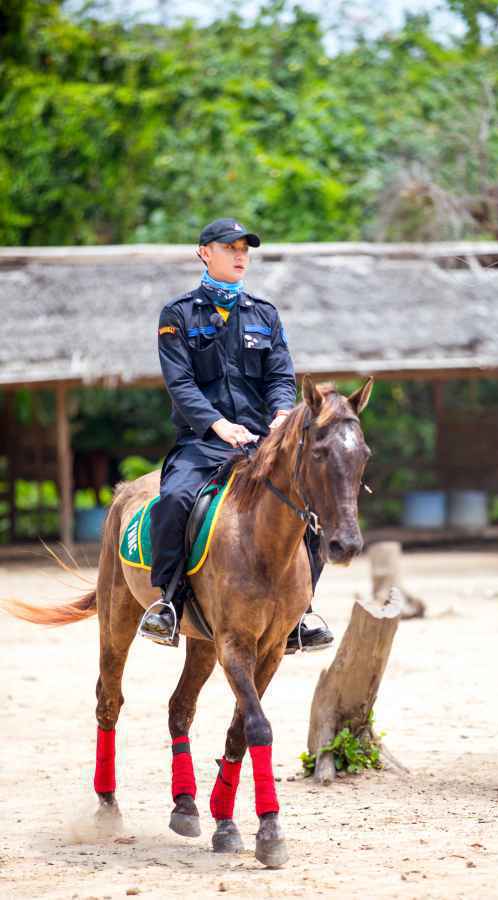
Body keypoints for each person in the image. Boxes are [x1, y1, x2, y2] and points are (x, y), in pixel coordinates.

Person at [138, 217, 333, 652]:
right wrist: (218, 424)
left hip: (260, 445)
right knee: (174, 501)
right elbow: (180, 383)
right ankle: (167, 604)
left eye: (245, 248)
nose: (241, 254)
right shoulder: (178, 315)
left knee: (313, 510)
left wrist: (283, 412)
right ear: (205, 252)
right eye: (230, 247)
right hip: (202, 443)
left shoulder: (265, 314)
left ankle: (301, 612)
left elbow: (281, 374)